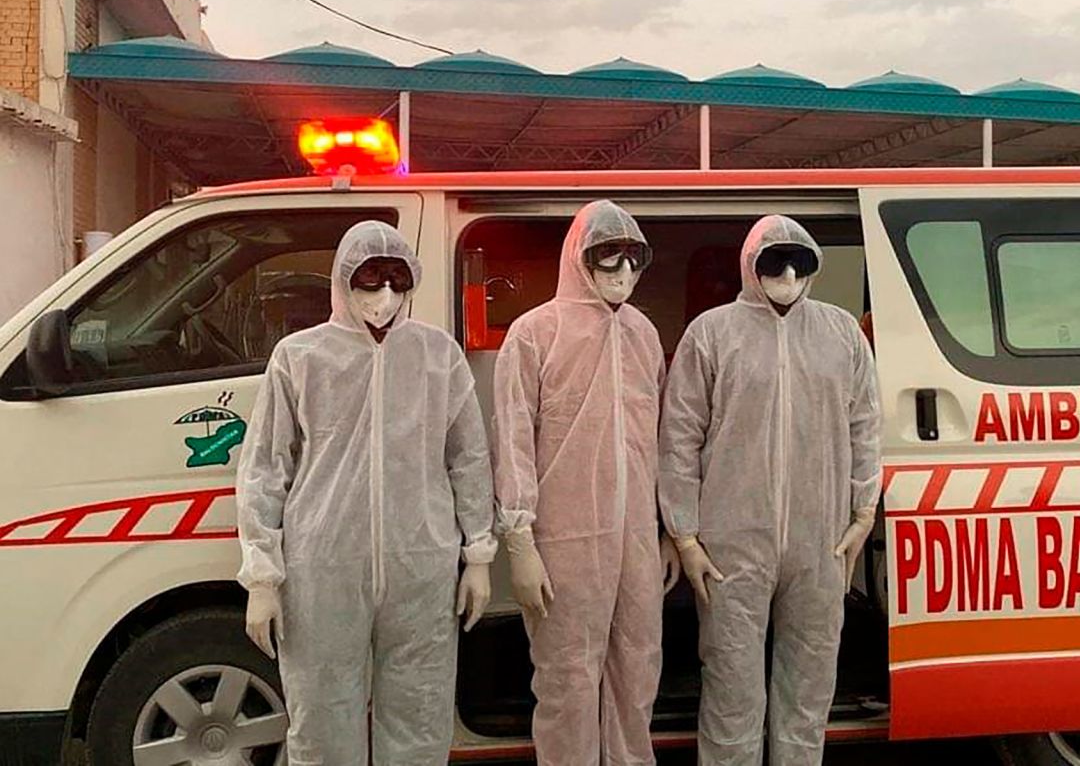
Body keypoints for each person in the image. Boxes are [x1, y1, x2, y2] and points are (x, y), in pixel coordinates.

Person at [236, 220, 496, 765]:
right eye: (370, 280)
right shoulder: (300, 356)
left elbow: (468, 456)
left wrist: (478, 554)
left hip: (421, 565)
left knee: (420, 716)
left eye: (397, 282)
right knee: (323, 717)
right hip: (323, 568)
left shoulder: (437, 355)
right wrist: (262, 575)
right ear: (342, 281)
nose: (384, 296)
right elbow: (264, 467)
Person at [659, 214, 882, 766]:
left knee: (809, 686)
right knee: (731, 684)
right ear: (749, 266)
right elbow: (679, 436)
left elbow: (866, 423)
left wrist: (863, 509)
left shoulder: (840, 333)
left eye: (799, 262)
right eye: (773, 262)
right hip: (733, 543)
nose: (786, 273)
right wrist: (685, 535)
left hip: (821, 538)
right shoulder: (712, 333)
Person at [492, 200, 680, 766]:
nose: (622, 270)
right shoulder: (534, 333)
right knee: (568, 680)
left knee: (637, 670)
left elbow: (662, 442)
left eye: (634, 257)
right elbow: (512, 441)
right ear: (579, 258)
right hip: (564, 543)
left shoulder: (645, 335)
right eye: (607, 257)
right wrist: (520, 544)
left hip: (638, 543)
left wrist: (670, 530)